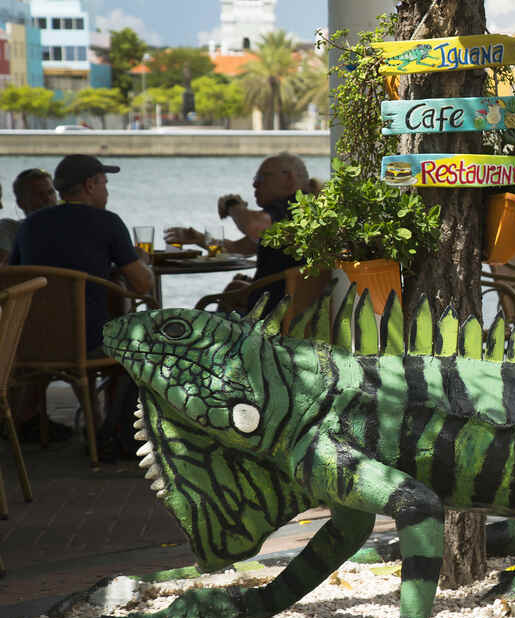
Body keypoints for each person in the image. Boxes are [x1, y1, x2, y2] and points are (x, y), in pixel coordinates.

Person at [9, 155, 153, 456]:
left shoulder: (29, 226)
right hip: (87, 343)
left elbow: (12, 280)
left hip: (33, 343)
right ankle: (111, 431)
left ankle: (89, 422)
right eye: (104, 183)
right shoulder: (108, 222)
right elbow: (142, 286)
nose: (107, 191)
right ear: (90, 185)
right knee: (137, 344)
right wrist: (142, 261)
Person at [166, 152, 316, 307]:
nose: (255, 184)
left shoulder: (290, 206)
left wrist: (232, 205)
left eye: (261, 177)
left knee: (230, 292)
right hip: (301, 305)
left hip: (275, 312)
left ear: (289, 178)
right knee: (236, 287)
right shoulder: (310, 208)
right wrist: (198, 238)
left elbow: (253, 225)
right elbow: (238, 249)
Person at [0, 169, 59, 260]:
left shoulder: (69, 228)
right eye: (39, 194)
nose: (48, 199)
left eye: (51, 192)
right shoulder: (9, 228)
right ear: (20, 203)